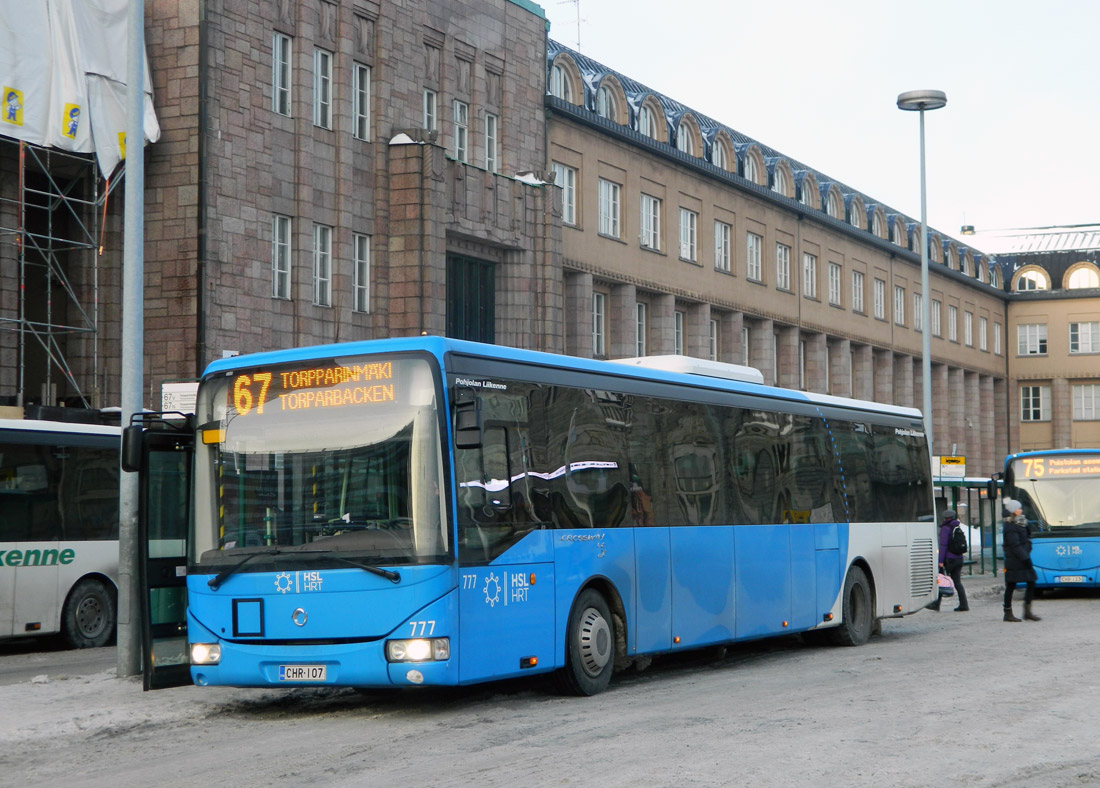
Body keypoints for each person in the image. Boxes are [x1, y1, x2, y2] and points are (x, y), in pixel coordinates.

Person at [1002, 498, 1040, 623]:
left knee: (1031, 581)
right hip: (1015, 560)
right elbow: (1015, 545)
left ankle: (1027, 611)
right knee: (1011, 585)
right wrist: (1025, 558)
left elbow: (1025, 539)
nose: (1021, 510)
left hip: (1022, 558)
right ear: (1014, 511)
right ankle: (1008, 612)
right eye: (1018, 508)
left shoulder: (1021, 523)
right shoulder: (1011, 526)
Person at [931, 508, 968, 612]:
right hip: (959, 558)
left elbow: (943, 546)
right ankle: (964, 604)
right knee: (957, 582)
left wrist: (940, 561)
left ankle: (936, 605)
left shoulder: (946, 528)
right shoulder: (957, 527)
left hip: (949, 559)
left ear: (944, 518)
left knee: (941, 580)